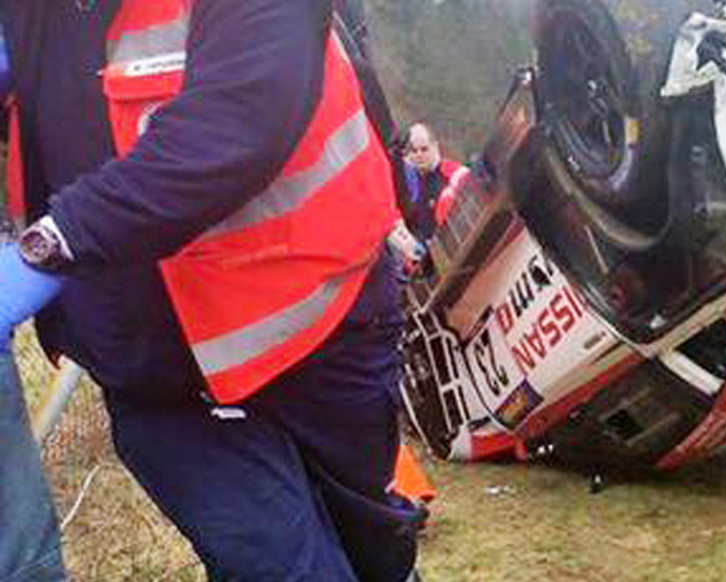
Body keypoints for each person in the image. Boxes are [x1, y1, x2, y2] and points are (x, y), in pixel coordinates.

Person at [1, 1, 422, 580]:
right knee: (276, 565)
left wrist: (47, 250)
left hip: (317, 331)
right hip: (154, 372)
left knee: (377, 548)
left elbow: (235, 125)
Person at [399, 122, 471, 239]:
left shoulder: (455, 176)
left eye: (424, 149)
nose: (419, 154)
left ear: (435, 146)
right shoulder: (408, 181)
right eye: (414, 150)